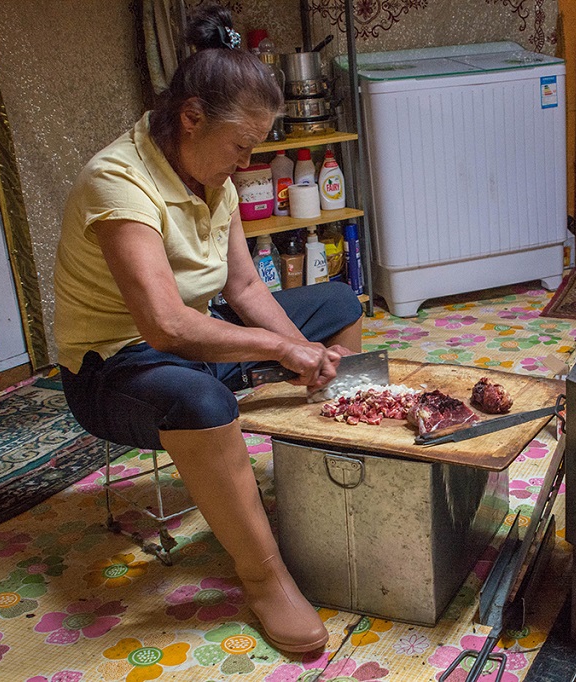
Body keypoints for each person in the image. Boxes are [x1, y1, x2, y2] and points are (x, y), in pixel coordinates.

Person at [52, 5, 362, 653]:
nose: (247, 162)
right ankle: (264, 574)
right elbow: (164, 325)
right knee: (201, 400)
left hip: (195, 338)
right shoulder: (120, 184)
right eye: (242, 146)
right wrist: (279, 348)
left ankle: (323, 468)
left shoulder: (209, 170)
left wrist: (304, 350)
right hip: (116, 370)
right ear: (191, 117)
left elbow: (245, 287)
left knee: (336, 303)